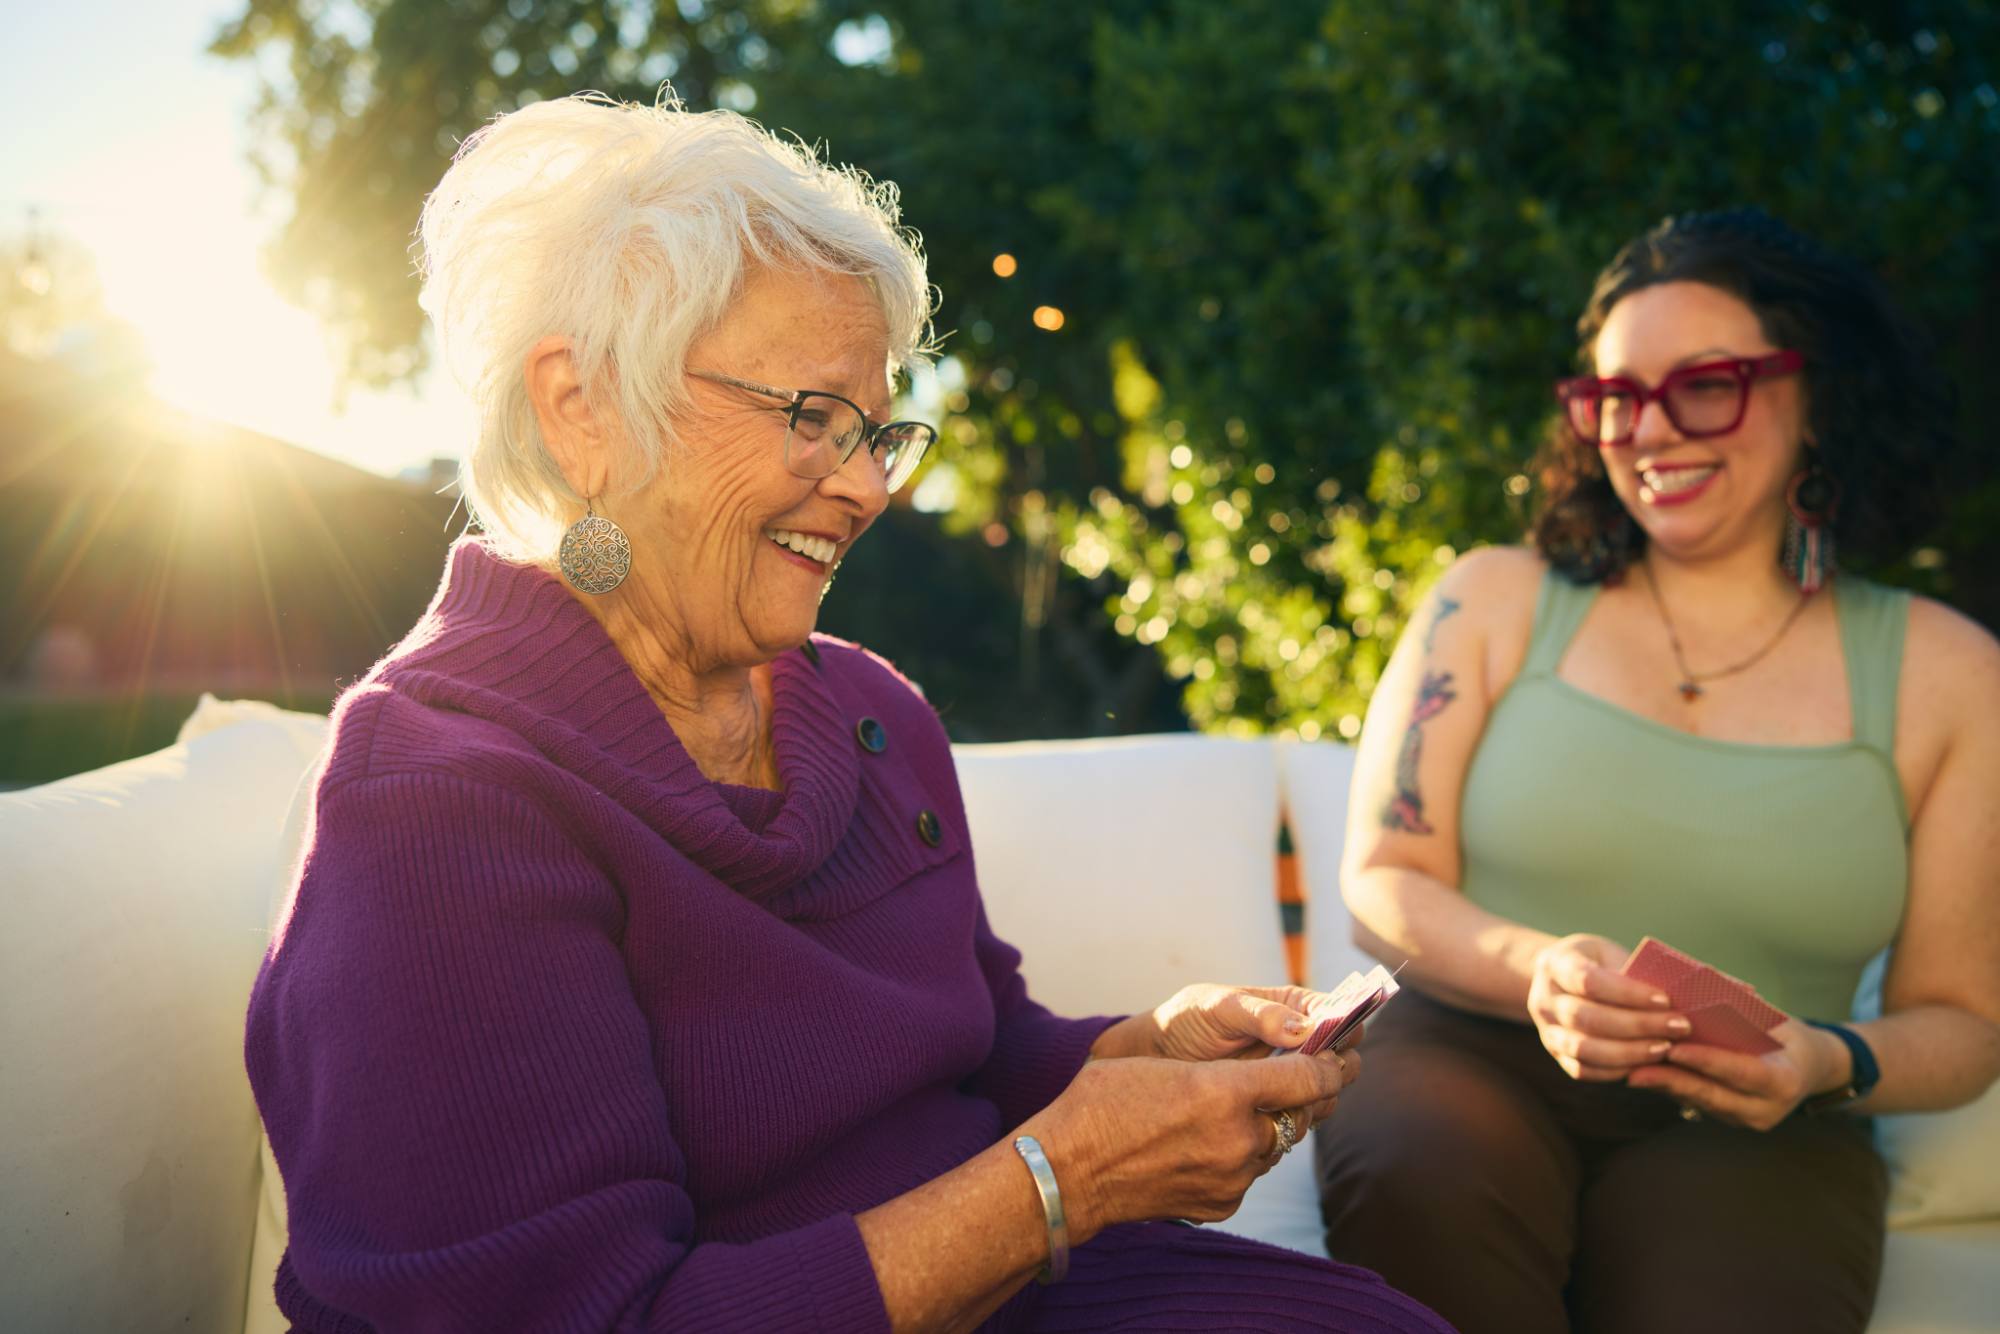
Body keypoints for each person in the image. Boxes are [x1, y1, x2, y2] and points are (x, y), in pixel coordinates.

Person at [246, 93, 1452, 1334]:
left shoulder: (868, 709)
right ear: (584, 406)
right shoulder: (437, 801)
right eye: (811, 417)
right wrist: (1061, 1178)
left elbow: (979, 1057)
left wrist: (1153, 1045)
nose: (867, 484)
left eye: (877, 428)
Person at [1313, 206, 2000, 1334]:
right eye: (1614, 396)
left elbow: (1964, 1021)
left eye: (1704, 384)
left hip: (1765, 1117)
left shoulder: (1948, 675)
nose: (1647, 430)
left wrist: (1826, 1058)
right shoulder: (1487, 599)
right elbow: (1381, 871)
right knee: (1418, 1174)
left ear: (1814, 395)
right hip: (1469, 1055)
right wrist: (1537, 968)